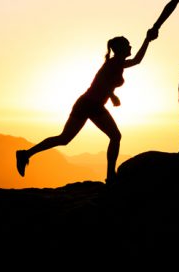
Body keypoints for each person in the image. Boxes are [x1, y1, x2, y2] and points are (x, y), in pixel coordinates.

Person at [16, 34, 153, 182]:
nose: (130, 47)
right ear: (120, 49)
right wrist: (112, 95)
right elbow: (101, 83)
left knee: (64, 138)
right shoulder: (114, 63)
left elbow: (133, 62)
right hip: (91, 105)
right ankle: (111, 175)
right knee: (115, 136)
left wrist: (147, 41)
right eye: (128, 45)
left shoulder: (116, 63)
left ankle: (25, 154)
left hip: (86, 103)